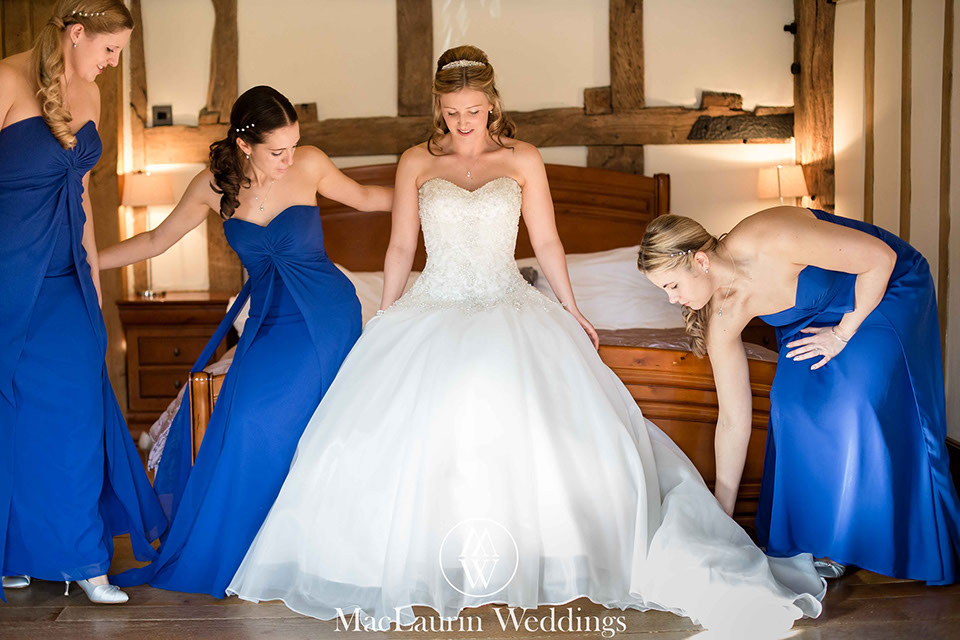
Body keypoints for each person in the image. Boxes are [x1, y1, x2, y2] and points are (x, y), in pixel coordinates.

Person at [225, 46, 826, 636]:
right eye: (453, 112)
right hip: (433, 300)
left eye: (475, 110)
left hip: (506, 299)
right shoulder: (415, 161)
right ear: (439, 108)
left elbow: (548, 244)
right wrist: (385, 314)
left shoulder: (524, 159)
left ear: (492, 103)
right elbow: (402, 248)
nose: (464, 122)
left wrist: (573, 309)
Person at [99, 85, 393, 597]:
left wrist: (436, 191)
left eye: (294, 146)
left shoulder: (311, 165)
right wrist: (86, 260)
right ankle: (247, 549)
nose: (289, 159)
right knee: (242, 418)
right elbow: (153, 241)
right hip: (270, 321)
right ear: (244, 145)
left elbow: (370, 199)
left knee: (269, 419)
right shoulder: (212, 187)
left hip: (326, 315)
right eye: (277, 151)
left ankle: (291, 549)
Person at [639, 207, 960, 584]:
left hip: (883, 291)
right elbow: (733, 419)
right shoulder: (724, 315)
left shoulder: (773, 238)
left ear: (700, 260)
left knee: (852, 400)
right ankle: (814, 530)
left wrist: (842, 334)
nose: (672, 300)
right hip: (809, 320)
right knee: (791, 404)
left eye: (672, 285)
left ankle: (844, 542)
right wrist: (721, 514)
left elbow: (880, 259)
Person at [0, 0, 166, 604]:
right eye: (109, 50)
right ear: (76, 34)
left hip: (66, 275)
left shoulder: (91, 96)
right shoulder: (6, 79)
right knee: (11, 418)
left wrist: (93, 276)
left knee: (75, 415)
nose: (113, 63)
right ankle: (11, 553)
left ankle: (85, 560)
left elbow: (84, 197)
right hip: (7, 273)